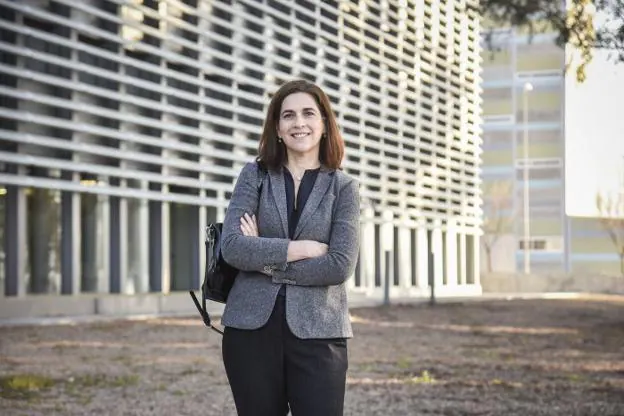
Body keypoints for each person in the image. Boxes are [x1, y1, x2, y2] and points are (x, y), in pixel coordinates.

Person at [220, 79, 361, 416]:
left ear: (324, 125)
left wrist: (265, 257)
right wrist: (301, 249)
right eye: (288, 116)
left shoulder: (344, 188)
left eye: (309, 113)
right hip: (250, 332)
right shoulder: (254, 175)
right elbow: (233, 247)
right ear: (278, 128)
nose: (299, 123)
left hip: (319, 333)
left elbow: (339, 264)